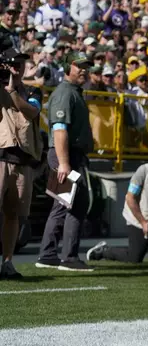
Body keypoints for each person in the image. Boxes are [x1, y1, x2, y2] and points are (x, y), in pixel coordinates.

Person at [35, 52, 94, 272]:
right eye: (79, 66)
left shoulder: (73, 92)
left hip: (71, 155)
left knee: (70, 204)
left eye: (86, 66)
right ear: (67, 67)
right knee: (65, 204)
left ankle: (52, 255)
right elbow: (59, 130)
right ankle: (60, 256)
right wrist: (64, 163)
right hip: (65, 155)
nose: (84, 70)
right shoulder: (65, 94)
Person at [0, 47, 42, 279]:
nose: (18, 67)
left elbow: (32, 112)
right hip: (1, 154)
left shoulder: (32, 91)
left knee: (14, 214)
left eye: (21, 63)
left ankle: (7, 262)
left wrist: (13, 91)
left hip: (23, 159)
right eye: (13, 63)